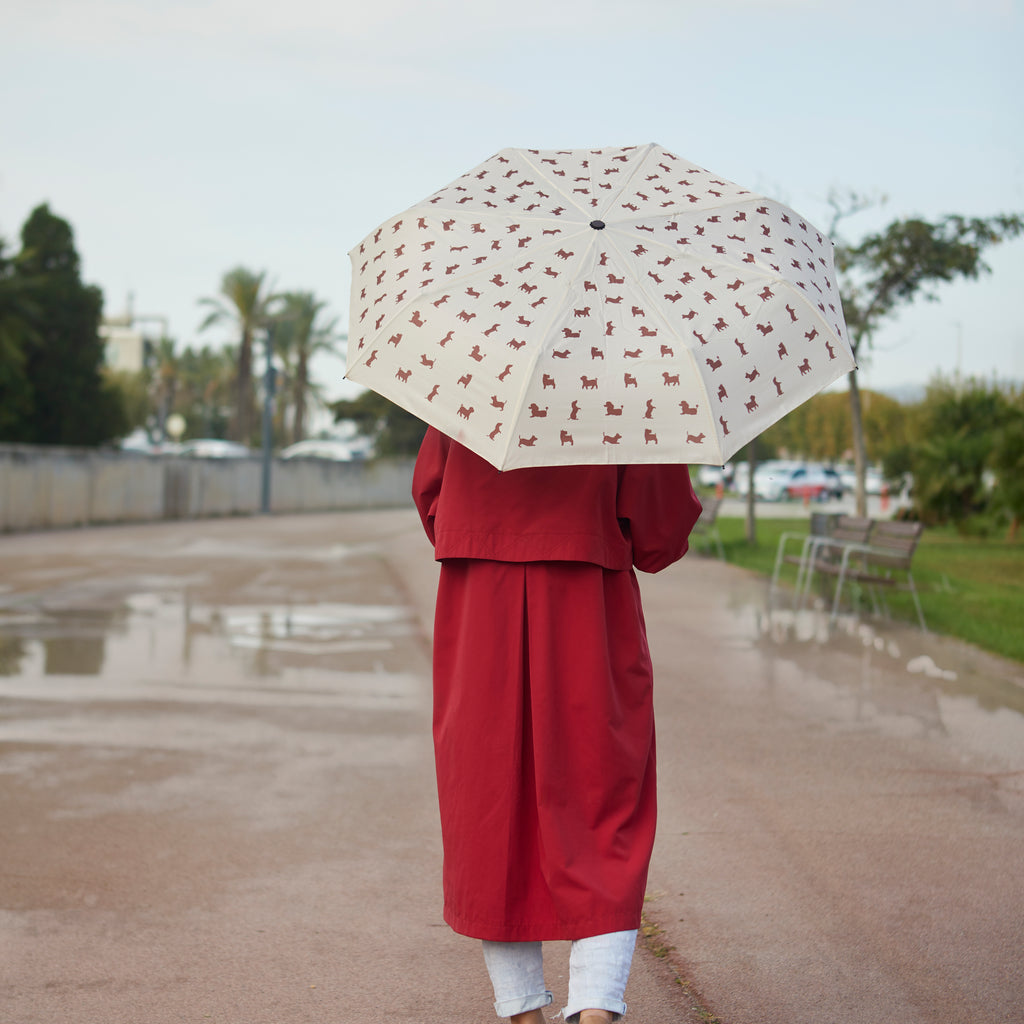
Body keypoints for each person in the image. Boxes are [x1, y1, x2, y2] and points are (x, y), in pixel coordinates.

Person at [412, 427, 702, 1023]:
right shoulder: (630, 395)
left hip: (480, 609)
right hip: (585, 611)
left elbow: (432, 502)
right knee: (601, 805)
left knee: (489, 810)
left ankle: (523, 1013)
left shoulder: (475, 389)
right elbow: (661, 537)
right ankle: (595, 1006)